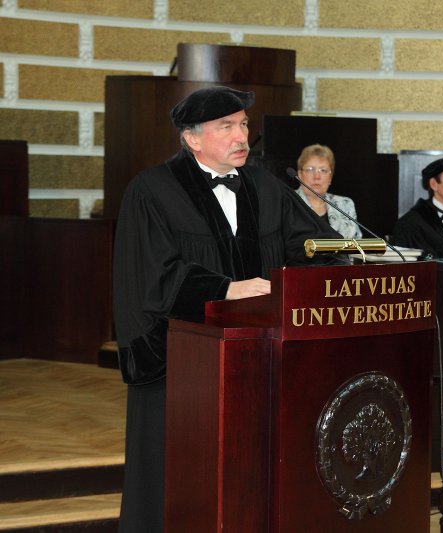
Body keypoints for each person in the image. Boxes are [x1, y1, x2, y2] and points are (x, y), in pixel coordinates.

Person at [112, 86, 338, 532]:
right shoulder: (152, 190)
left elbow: (309, 245)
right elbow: (150, 274)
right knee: (181, 476)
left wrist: (345, 265)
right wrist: (224, 288)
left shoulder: (264, 184)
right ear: (192, 138)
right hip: (181, 364)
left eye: (245, 125)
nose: (242, 136)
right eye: (227, 127)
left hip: (260, 359)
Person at [295, 144, 362, 239]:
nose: (317, 176)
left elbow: (358, 245)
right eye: (310, 169)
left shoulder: (345, 205)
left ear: (330, 178)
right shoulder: (287, 203)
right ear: (300, 175)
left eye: (323, 170)